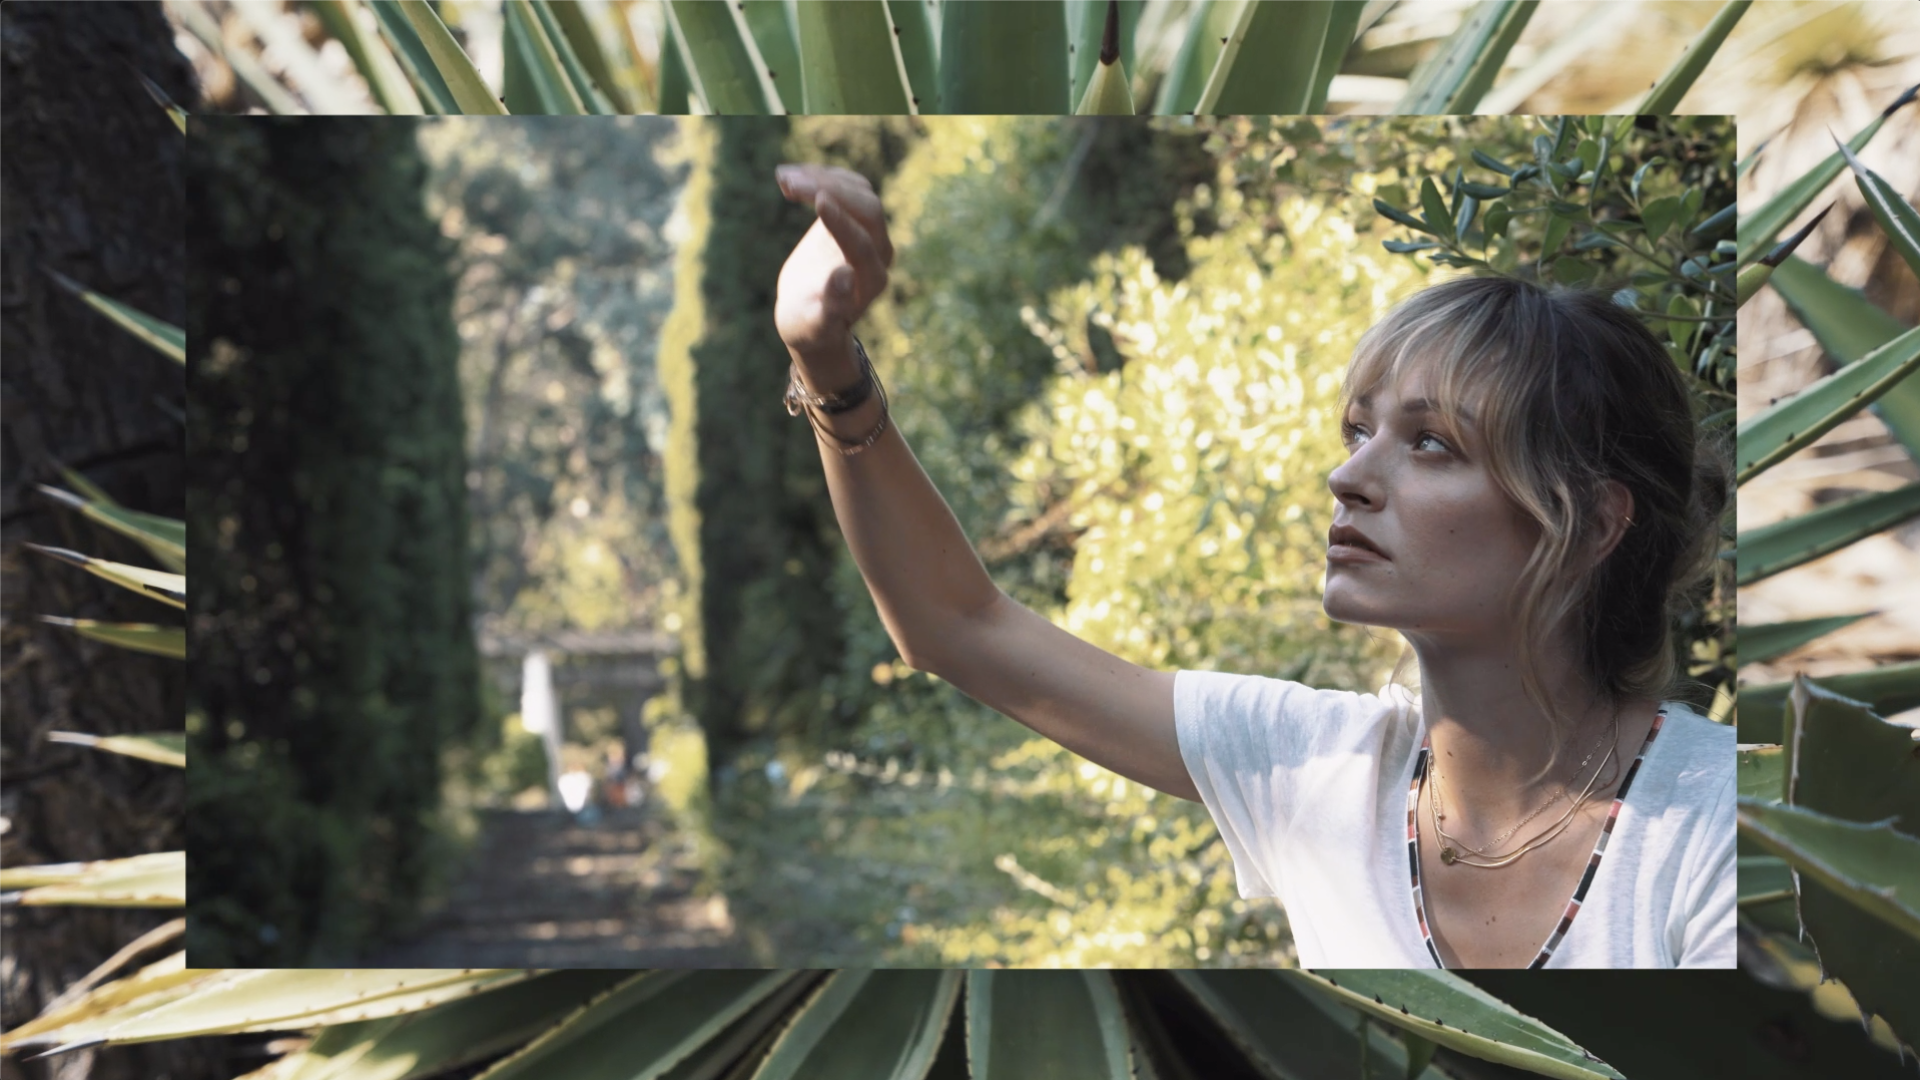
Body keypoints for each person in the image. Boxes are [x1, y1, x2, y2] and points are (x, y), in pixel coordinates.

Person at [770, 163, 1734, 969]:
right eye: (1359, 431)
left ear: (1593, 521)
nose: (1347, 476)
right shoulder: (1309, 767)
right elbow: (958, 627)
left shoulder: (1720, 825)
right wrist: (826, 363)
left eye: (1432, 444)